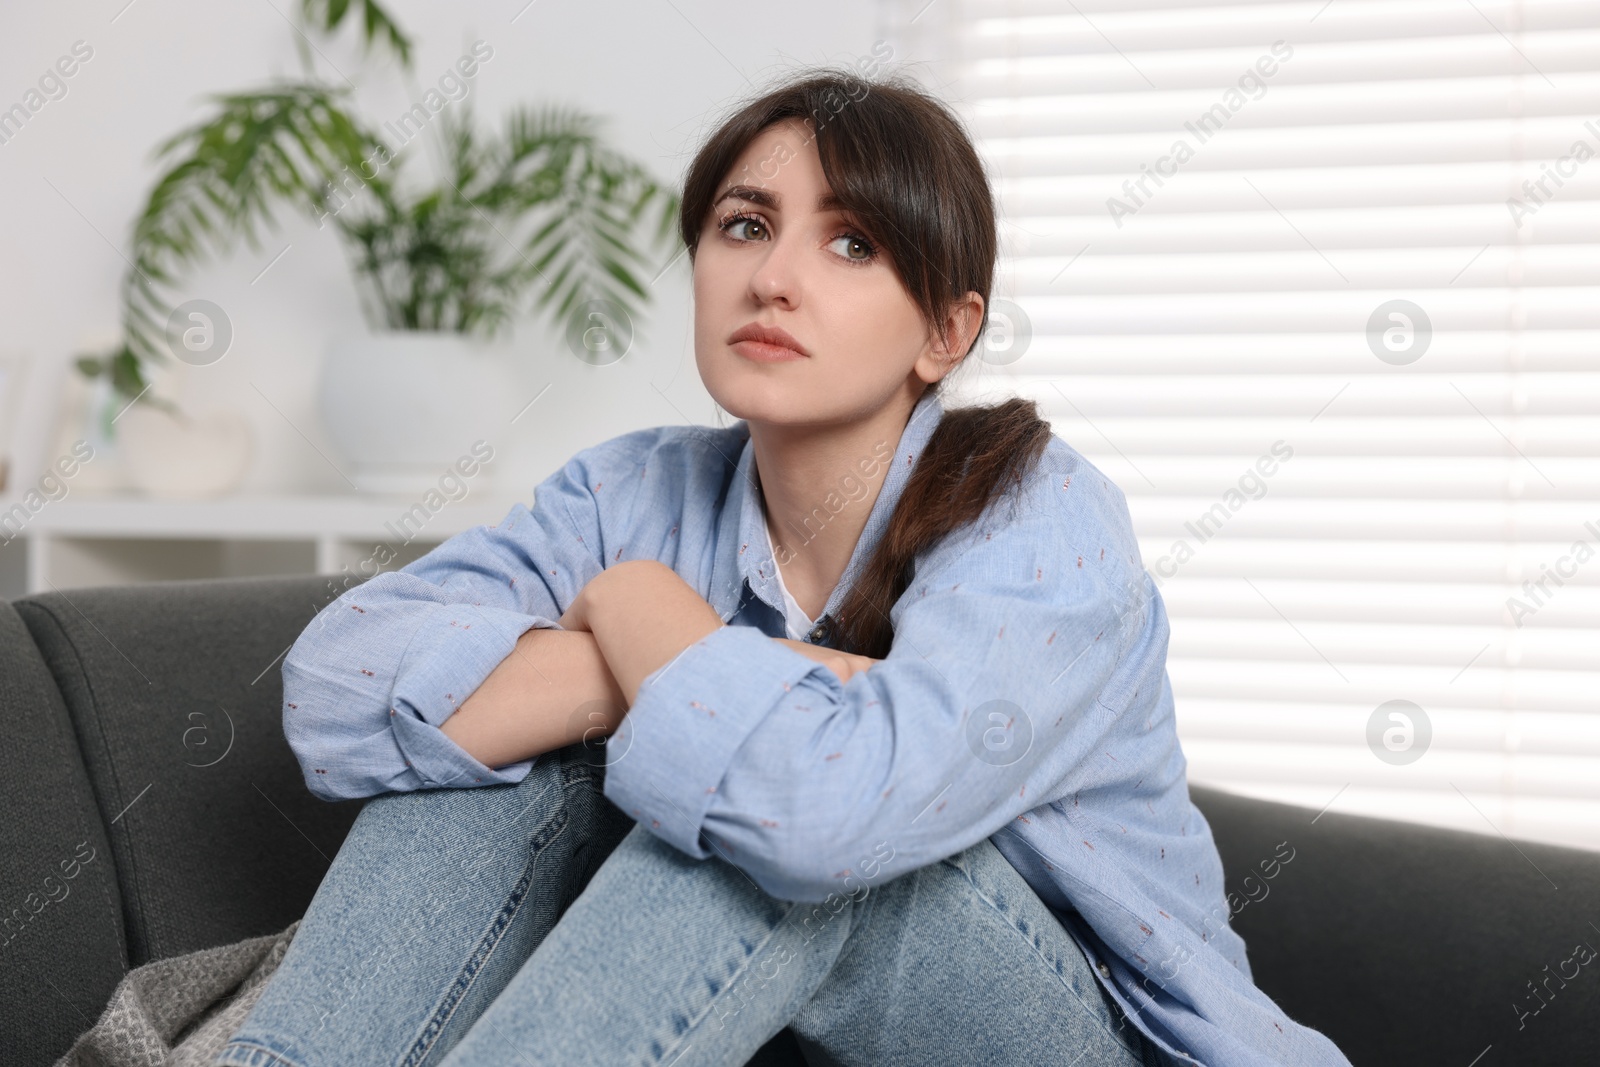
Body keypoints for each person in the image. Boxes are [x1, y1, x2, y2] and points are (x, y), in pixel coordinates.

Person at [216, 68, 1352, 1067]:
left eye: (852, 243)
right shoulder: (630, 494)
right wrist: (643, 663)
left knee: (759, 841)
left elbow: (826, 823)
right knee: (478, 759)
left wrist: (644, 618)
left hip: (1074, 1030)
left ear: (944, 334)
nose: (773, 278)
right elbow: (333, 693)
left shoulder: (1040, 513)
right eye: (744, 224)